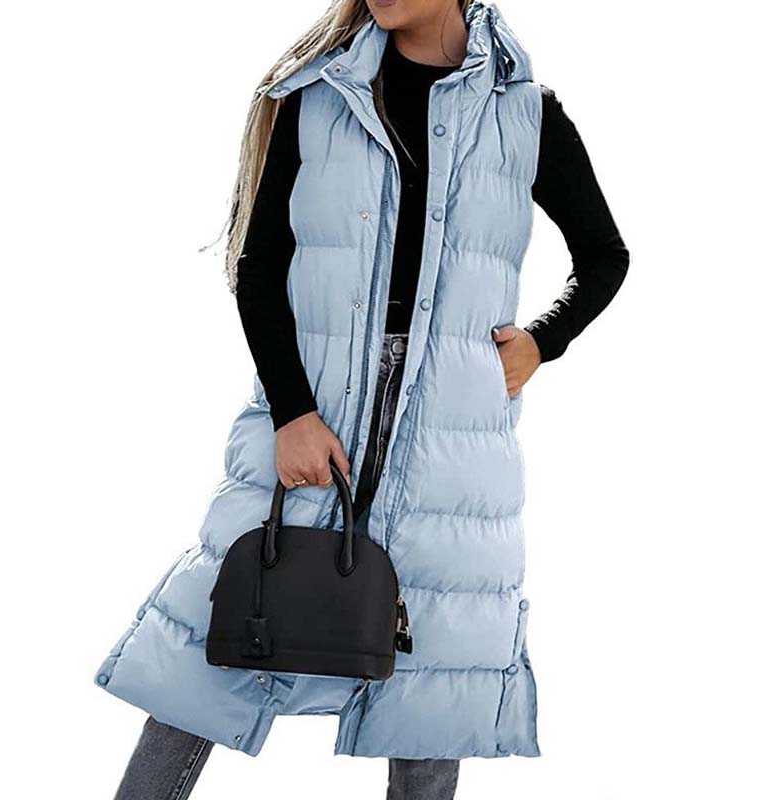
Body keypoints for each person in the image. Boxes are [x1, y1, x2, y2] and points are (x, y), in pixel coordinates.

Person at [100, 1, 629, 797]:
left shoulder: (525, 114)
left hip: (453, 435)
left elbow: (604, 255)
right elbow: (257, 263)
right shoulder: (315, 96)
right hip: (316, 406)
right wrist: (292, 413)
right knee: (210, 651)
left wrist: (541, 341)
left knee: (432, 684)